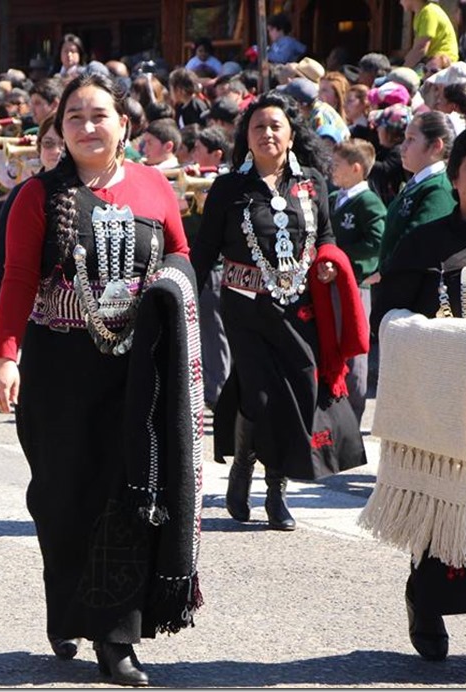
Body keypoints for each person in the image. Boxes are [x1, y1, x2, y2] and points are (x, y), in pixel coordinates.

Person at [0, 73, 200, 687]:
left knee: (128, 492)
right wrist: (6, 356)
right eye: (74, 116)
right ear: (59, 129)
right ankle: (66, 610)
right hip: (59, 367)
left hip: (137, 371)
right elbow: (18, 277)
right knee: (62, 497)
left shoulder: (156, 187)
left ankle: (115, 637)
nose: (87, 126)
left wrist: (168, 291)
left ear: (123, 125)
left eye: (99, 114)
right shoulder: (37, 196)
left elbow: (182, 255)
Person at [366, 121, 466, 688]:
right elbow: (393, 322)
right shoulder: (424, 245)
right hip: (444, 413)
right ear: (454, 178)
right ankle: (423, 600)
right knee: (445, 516)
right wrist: (456, 345)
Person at [191, 91, 369, 531]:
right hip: (245, 310)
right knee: (261, 395)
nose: (267, 133)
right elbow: (204, 252)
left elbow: (325, 234)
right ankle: (255, 481)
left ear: (291, 134)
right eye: (258, 127)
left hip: (300, 309)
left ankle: (272, 485)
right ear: (246, 138)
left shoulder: (311, 181)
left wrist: (328, 260)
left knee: (299, 395)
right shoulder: (230, 187)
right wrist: (181, 301)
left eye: (275, 126)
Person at [0, 112, 63, 360]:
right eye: (49, 143)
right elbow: (1, 259)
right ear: (39, 147)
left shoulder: (93, 190)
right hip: (35, 313)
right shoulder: (24, 193)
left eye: (63, 143)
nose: (56, 150)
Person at [328, 139, 386, 425]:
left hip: (354, 283)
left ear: (355, 168)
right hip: (327, 282)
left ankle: (352, 412)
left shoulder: (368, 201)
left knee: (353, 348)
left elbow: (377, 241)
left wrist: (339, 255)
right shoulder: (333, 198)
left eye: (336, 164)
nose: (331, 169)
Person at [374, 111, 456, 278]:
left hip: (412, 291)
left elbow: (417, 245)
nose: (403, 147)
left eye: (411, 139)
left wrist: (385, 273)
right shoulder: (419, 183)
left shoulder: (438, 189)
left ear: (436, 146)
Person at [402, 0, 460, 68]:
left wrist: (402, 70)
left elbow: (421, 48)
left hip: (442, 63)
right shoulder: (421, 13)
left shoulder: (428, 12)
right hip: (431, 61)